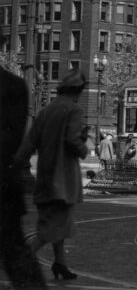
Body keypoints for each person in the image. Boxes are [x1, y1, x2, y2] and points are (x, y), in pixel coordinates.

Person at [14, 69, 90, 282]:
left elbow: (29, 142)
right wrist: (84, 147)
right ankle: (21, 263)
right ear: (78, 91)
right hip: (63, 181)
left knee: (56, 224)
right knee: (49, 230)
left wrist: (15, 164)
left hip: (45, 179)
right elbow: (73, 139)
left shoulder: (46, 111)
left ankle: (60, 263)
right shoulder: (74, 110)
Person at [0, 66, 47, 288]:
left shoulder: (12, 86)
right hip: (4, 192)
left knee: (16, 254)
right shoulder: (14, 85)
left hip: (4, 194)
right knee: (17, 255)